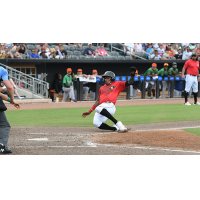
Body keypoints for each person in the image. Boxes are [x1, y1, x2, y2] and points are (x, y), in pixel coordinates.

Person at [82, 68, 138, 132]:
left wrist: (132, 75)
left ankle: (118, 124)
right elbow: (98, 100)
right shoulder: (101, 88)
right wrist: (90, 111)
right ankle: (115, 128)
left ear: (112, 78)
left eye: (107, 78)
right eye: (105, 78)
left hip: (110, 106)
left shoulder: (118, 84)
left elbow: (130, 82)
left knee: (98, 108)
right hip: (102, 108)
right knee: (96, 123)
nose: (105, 79)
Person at [0, 67, 20, 154]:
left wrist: (10, 101)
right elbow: (10, 87)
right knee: (4, 125)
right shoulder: (2, 70)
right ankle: (2, 147)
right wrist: (12, 99)